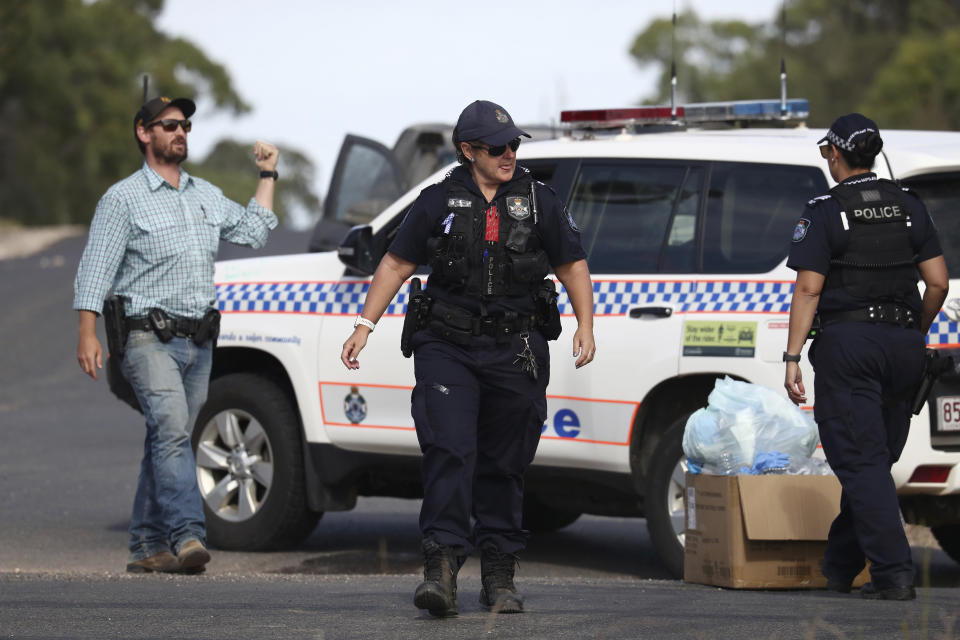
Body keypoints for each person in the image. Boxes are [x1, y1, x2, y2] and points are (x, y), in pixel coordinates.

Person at [340, 100, 596, 617]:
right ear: (467, 151)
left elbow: (572, 265)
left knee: (505, 464)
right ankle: (441, 569)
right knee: (449, 451)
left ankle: (499, 575)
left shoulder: (539, 200)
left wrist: (586, 325)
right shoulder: (437, 200)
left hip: (516, 348)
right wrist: (364, 325)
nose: (509, 154)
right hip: (447, 345)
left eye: (513, 145)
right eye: (496, 147)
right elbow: (395, 262)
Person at [74, 93, 280, 574]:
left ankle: (146, 545)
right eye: (168, 125)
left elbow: (254, 230)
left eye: (185, 125)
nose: (180, 132)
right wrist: (87, 332)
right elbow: (94, 270)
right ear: (144, 133)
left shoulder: (205, 194)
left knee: (168, 436)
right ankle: (188, 534)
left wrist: (267, 173)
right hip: (146, 338)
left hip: (199, 342)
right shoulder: (122, 198)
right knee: (170, 431)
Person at [783, 113, 949, 601]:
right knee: (872, 461)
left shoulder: (825, 210)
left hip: (850, 346)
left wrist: (792, 356)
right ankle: (839, 565)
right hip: (904, 345)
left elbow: (809, 289)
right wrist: (914, 333)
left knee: (860, 463)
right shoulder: (910, 205)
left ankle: (895, 574)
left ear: (835, 153)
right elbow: (937, 282)